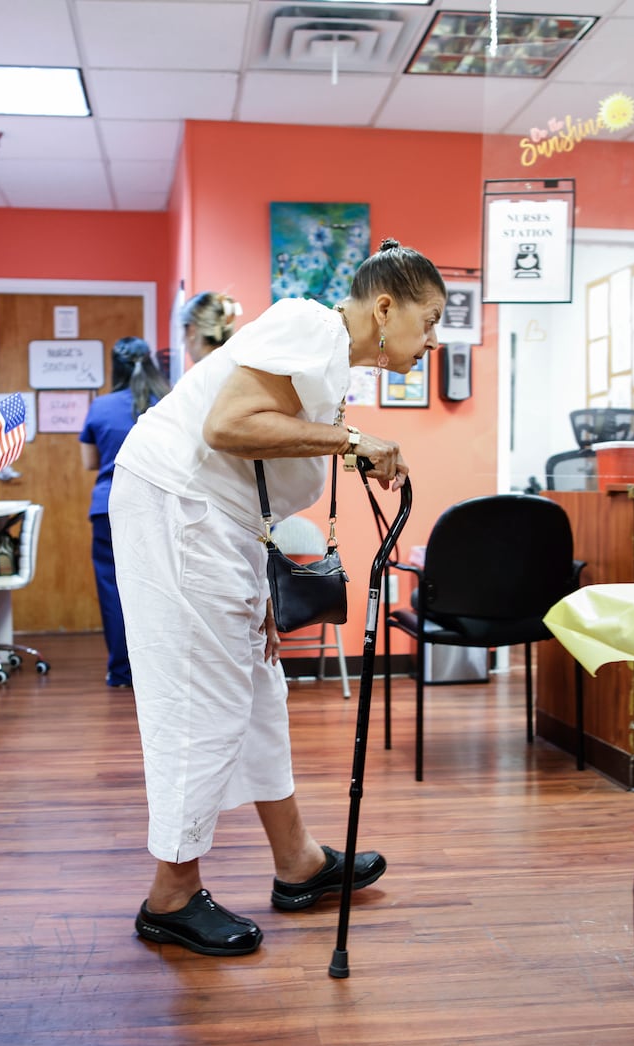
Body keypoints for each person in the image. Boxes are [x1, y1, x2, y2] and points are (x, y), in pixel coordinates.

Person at [110, 239, 444, 957]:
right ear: (385, 307)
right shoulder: (310, 323)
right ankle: (170, 894)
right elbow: (225, 426)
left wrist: (259, 575)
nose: (434, 338)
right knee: (201, 696)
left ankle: (297, 862)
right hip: (175, 504)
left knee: (261, 686)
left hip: (213, 519)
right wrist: (354, 441)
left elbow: (248, 472)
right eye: (431, 318)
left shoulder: (326, 363)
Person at [79, 337, 171, 687]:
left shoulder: (100, 407)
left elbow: (90, 462)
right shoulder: (168, 402)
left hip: (109, 506)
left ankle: (122, 672)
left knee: (113, 589)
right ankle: (160, 670)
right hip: (158, 505)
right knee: (161, 586)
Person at [178, 291, 240, 366]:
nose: (182, 340)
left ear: (192, 331)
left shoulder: (197, 376)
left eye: (183, 332)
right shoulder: (242, 370)